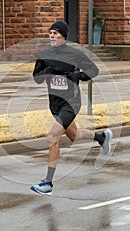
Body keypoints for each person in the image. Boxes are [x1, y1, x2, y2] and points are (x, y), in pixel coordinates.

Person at [30, 20, 112, 195]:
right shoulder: (45, 54)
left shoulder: (73, 53)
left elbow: (93, 70)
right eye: (50, 33)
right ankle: (102, 137)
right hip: (55, 104)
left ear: (63, 36)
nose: (52, 36)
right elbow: (36, 77)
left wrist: (77, 75)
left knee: (52, 136)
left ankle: (48, 183)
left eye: (56, 33)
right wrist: (47, 72)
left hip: (71, 103)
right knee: (74, 135)